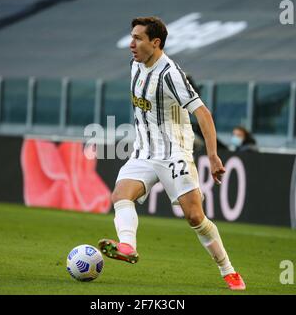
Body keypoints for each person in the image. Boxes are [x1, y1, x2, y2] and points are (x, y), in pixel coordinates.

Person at [98, 16, 245, 290]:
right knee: (120, 195)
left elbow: (203, 113)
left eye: (138, 39)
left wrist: (213, 156)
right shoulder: (135, 65)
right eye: (131, 37)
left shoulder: (171, 74)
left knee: (194, 217)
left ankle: (228, 270)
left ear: (155, 43)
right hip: (143, 151)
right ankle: (128, 246)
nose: (131, 44)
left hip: (173, 153)